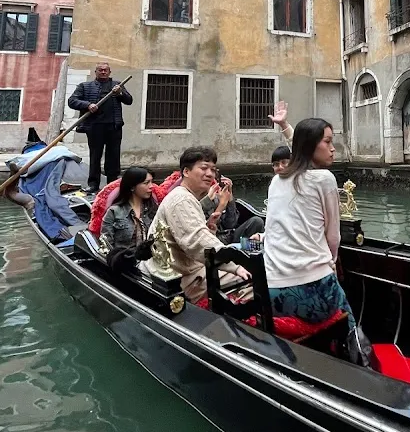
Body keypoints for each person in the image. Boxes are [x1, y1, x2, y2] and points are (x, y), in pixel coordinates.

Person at [261, 118, 354, 326]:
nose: (333, 149)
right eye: (327, 142)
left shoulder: (276, 181)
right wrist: (331, 263)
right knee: (348, 321)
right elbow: (333, 237)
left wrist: (285, 125)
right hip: (311, 288)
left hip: (270, 290)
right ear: (311, 146)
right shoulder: (325, 179)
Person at [145, 146, 251, 303]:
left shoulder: (186, 197)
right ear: (186, 172)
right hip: (180, 278)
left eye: (213, 169)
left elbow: (191, 238)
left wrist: (209, 229)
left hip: (183, 269)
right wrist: (235, 266)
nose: (210, 174)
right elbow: (197, 241)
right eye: (204, 168)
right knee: (254, 276)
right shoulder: (181, 200)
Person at [68, 63, 133, 194]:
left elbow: (129, 100)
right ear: (96, 72)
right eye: (100, 70)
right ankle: (93, 184)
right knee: (95, 156)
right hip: (94, 127)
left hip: (114, 126)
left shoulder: (117, 85)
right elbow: (72, 101)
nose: (103, 72)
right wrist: (87, 105)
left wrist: (120, 93)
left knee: (113, 157)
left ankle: (112, 184)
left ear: (109, 72)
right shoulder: (84, 86)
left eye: (105, 70)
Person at [100, 166, 158, 252]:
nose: (151, 186)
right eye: (146, 183)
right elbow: (107, 244)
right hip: (123, 258)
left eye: (151, 182)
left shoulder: (154, 209)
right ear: (132, 187)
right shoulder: (114, 212)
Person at [201, 174, 265, 244]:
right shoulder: (198, 201)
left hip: (229, 235)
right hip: (214, 239)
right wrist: (221, 206)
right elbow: (208, 228)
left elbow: (230, 224)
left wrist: (230, 198)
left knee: (257, 222)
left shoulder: (218, 196)